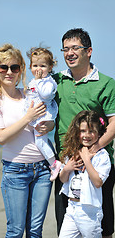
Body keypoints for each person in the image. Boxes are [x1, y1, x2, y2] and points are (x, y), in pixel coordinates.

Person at [0, 43, 53, 238]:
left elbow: (49, 118)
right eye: (4, 67)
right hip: (15, 171)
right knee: (16, 231)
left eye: (14, 67)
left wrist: (49, 126)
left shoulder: (30, 94)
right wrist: (27, 118)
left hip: (43, 170)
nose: (9, 72)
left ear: (20, 70)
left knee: (35, 231)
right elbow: (1, 137)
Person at [53, 28, 115, 238]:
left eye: (74, 48)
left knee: (101, 227)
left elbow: (114, 122)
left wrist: (92, 150)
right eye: (65, 49)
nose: (69, 53)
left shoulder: (106, 83)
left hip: (97, 164)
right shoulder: (56, 81)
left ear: (88, 51)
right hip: (67, 164)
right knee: (66, 226)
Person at [58, 110, 111, 238]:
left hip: (89, 211)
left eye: (91, 131)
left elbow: (98, 182)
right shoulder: (72, 152)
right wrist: (67, 169)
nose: (86, 135)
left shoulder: (102, 156)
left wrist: (87, 160)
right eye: (82, 131)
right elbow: (63, 179)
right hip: (71, 208)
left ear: (99, 133)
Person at [24, 47, 61, 181]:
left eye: (43, 66)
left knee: (40, 142)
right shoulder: (34, 80)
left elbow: (45, 95)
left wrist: (39, 81)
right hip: (36, 115)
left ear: (50, 67)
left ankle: (54, 164)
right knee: (41, 140)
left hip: (43, 115)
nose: (38, 69)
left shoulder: (48, 82)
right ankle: (53, 159)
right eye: (35, 65)